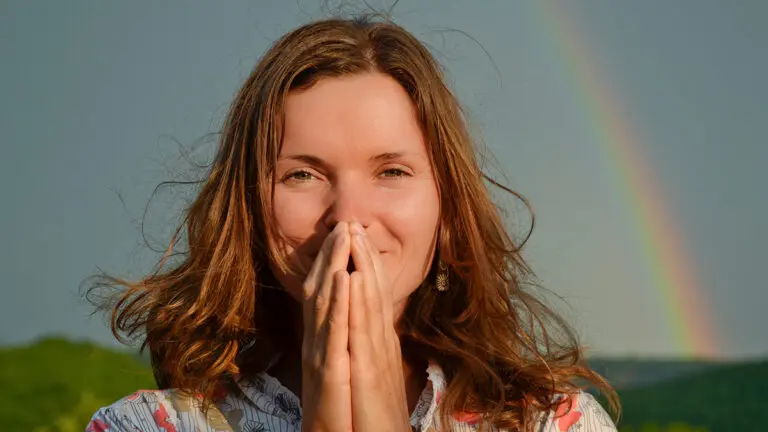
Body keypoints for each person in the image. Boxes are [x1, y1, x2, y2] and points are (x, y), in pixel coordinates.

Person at [86, 14, 619, 432]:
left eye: (391, 170)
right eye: (302, 175)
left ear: (447, 206)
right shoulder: (148, 426)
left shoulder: (555, 423)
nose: (349, 217)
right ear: (248, 207)